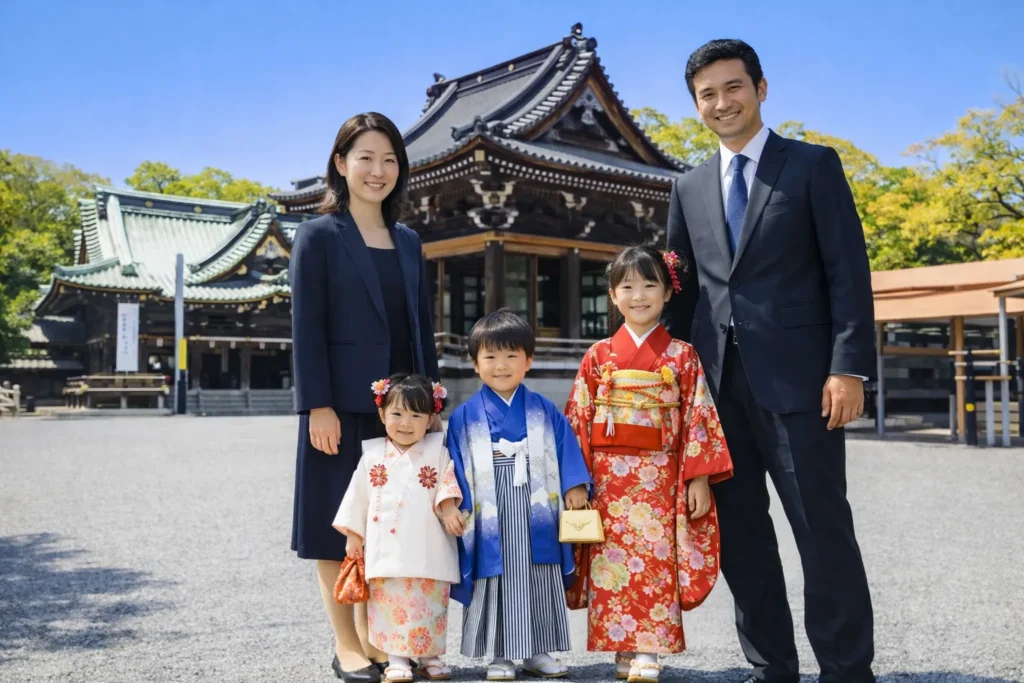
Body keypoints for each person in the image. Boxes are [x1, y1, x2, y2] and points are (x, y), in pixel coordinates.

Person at [664, 39, 876, 683]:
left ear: (761, 88)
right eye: (708, 94)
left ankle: (845, 669)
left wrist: (848, 367)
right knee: (742, 539)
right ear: (696, 104)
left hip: (804, 385)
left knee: (822, 530)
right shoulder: (688, 186)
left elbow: (848, 271)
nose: (722, 103)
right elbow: (681, 294)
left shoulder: (812, 166)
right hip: (716, 390)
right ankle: (771, 666)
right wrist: (673, 386)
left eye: (734, 87)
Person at [290, 112, 439, 683]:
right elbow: (307, 325)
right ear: (340, 164)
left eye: (389, 160)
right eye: (366, 158)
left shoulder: (407, 240)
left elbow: (418, 329)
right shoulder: (319, 235)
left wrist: (429, 404)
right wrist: (316, 405)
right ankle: (345, 642)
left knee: (388, 525)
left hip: (399, 413)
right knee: (335, 526)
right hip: (339, 406)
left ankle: (381, 638)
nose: (378, 171)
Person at [565, 246, 734, 683]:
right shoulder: (598, 356)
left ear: (666, 293)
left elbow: (698, 417)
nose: (638, 296)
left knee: (655, 560)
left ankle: (650, 648)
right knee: (611, 559)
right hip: (606, 479)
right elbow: (578, 420)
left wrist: (697, 477)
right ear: (613, 296)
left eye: (649, 285)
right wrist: (576, 481)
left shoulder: (683, 355)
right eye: (627, 287)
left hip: (660, 477)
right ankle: (621, 645)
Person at [446, 310, 591, 681]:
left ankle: (538, 650)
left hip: (536, 504)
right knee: (494, 576)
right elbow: (454, 464)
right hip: (487, 507)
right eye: (490, 356)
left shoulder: (543, 409)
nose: (501, 365)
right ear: (475, 363)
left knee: (538, 573)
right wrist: (454, 502)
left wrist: (575, 485)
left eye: (512, 356)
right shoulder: (464, 415)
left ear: (528, 361)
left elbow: (566, 446)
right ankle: (500, 654)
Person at [333, 374, 463, 683]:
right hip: (386, 549)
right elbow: (358, 498)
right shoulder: (373, 456)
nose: (406, 423)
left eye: (416, 415)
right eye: (397, 413)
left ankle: (430, 656)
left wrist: (448, 507)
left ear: (431, 418)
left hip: (427, 545)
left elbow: (447, 483)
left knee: (428, 604)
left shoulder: (437, 452)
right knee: (391, 605)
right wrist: (354, 534)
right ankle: (396, 658)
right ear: (382, 414)